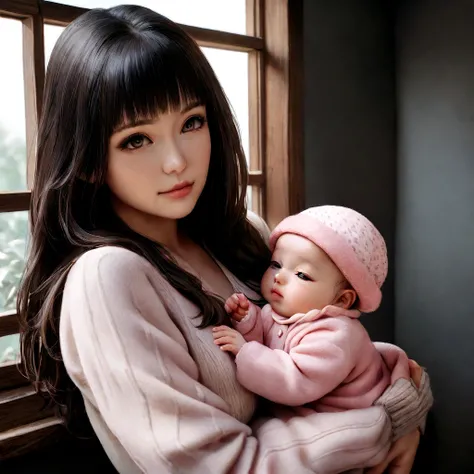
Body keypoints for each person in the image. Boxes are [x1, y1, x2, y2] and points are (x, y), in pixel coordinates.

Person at [16, 5, 432, 474]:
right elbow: (221, 466)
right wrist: (383, 429)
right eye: (136, 139)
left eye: (191, 122)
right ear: (88, 158)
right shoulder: (108, 278)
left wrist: (404, 414)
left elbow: (337, 353)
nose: (176, 161)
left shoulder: (244, 234)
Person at [213, 205, 406, 415]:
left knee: (277, 437)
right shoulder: (280, 312)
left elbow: (295, 380)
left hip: (349, 416)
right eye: (276, 264)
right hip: (308, 411)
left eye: (302, 275)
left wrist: (245, 351)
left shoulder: (335, 335)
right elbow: (267, 341)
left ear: (342, 300)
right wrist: (248, 320)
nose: (279, 276)